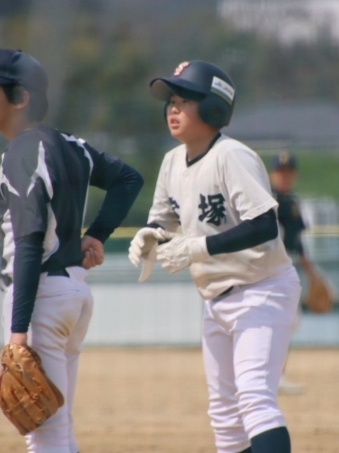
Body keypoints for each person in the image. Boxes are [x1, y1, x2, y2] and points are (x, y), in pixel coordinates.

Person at [0, 48, 143, 452]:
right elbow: (128, 179)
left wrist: (18, 334)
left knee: (46, 438)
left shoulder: (22, 152)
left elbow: (29, 242)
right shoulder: (72, 145)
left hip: (39, 297)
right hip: (71, 294)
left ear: (21, 98)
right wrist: (97, 235)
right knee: (59, 431)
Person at [128, 60, 300, 453]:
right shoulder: (172, 161)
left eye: (184, 100)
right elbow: (164, 219)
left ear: (213, 107)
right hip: (214, 299)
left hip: (262, 290)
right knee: (224, 415)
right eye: (171, 101)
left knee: (254, 398)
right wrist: (151, 234)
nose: (173, 108)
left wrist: (198, 247)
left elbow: (264, 225)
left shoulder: (232, 156)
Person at [269, 152, 312, 394]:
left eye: (288, 172)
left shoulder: (292, 201)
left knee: (289, 322)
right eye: (280, 172)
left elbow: (297, 242)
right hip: (267, 272)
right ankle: (271, 376)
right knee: (277, 323)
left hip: (285, 271)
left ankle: (277, 375)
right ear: (272, 174)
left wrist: (312, 273)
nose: (284, 177)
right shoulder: (266, 201)